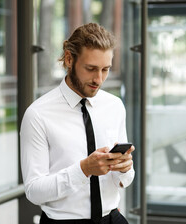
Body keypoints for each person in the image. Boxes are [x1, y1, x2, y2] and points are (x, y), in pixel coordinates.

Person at [20, 23, 135, 224]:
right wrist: (83, 169)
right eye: (91, 69)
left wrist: (125, 169)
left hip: (111, 219)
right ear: (69, 59)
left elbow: (122, 181)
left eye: (105, 69)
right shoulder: (38, 115)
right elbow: (34, 191)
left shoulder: (114, 106)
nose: (98, 79)